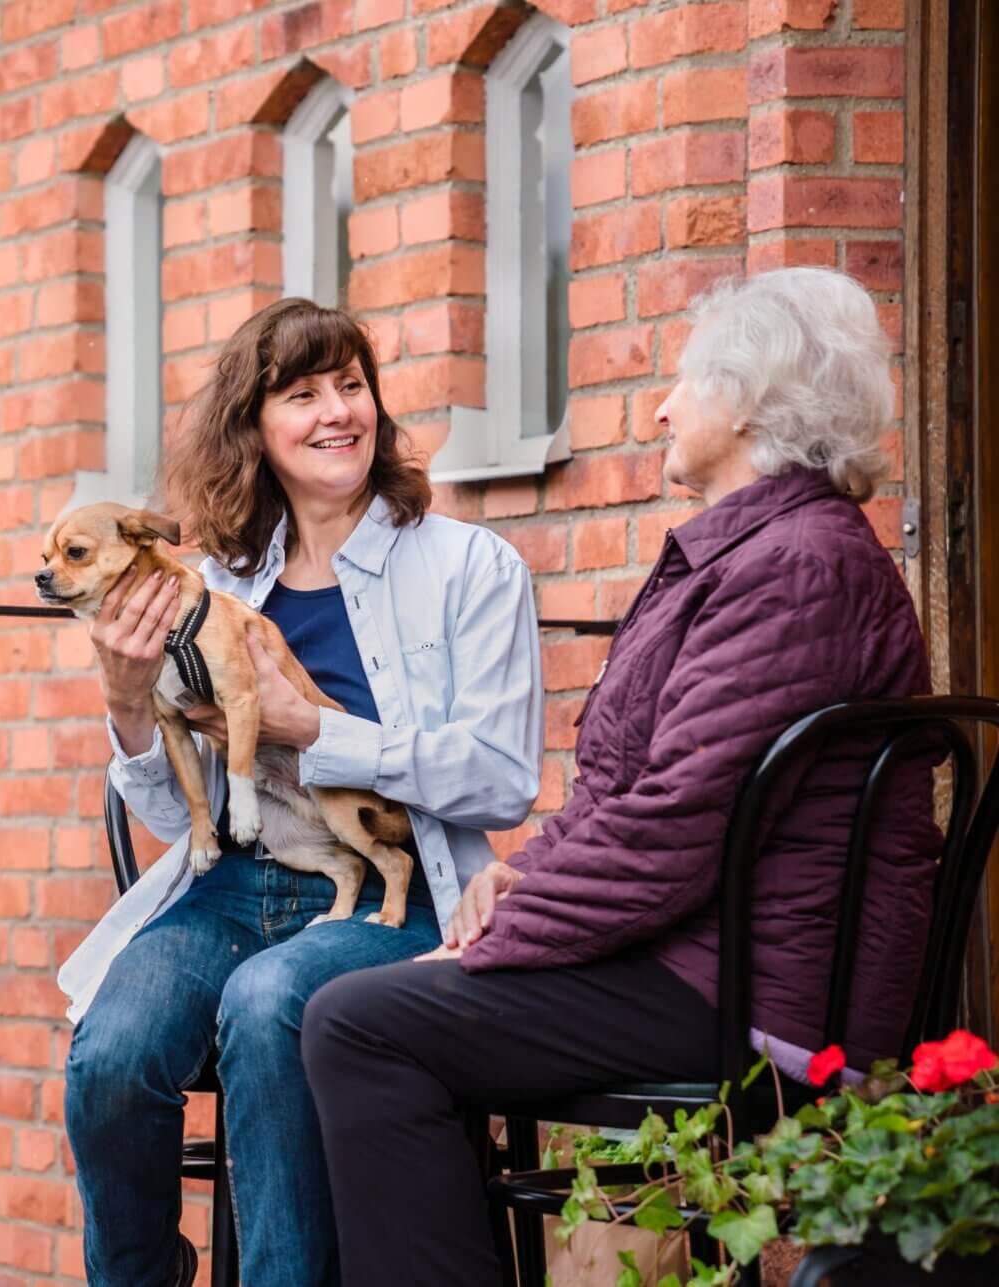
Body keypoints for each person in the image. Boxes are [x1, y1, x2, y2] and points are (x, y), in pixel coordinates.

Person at [300, 267, 942, 1286]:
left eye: (684, 381)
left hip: (754, 991)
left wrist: (501, 941)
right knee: (370, 1007)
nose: (660, 405)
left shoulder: (793, 568)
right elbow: (630, 794)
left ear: (745, 404)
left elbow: (675, 822)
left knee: (362, 1022)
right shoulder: (760, 553)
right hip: (703, 956)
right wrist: (517, 879)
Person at [58, 299, 543, 1287]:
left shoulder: (468, 568)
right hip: (233, 889)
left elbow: (501, 779)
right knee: (112, 1051)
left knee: (270, 1000)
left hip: (391, 899)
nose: (337, 412)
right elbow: (167, 815)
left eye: (351, 386)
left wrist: (315, 729)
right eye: (302, 394)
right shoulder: (212, 584)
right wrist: (127, 702)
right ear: (254, 429)